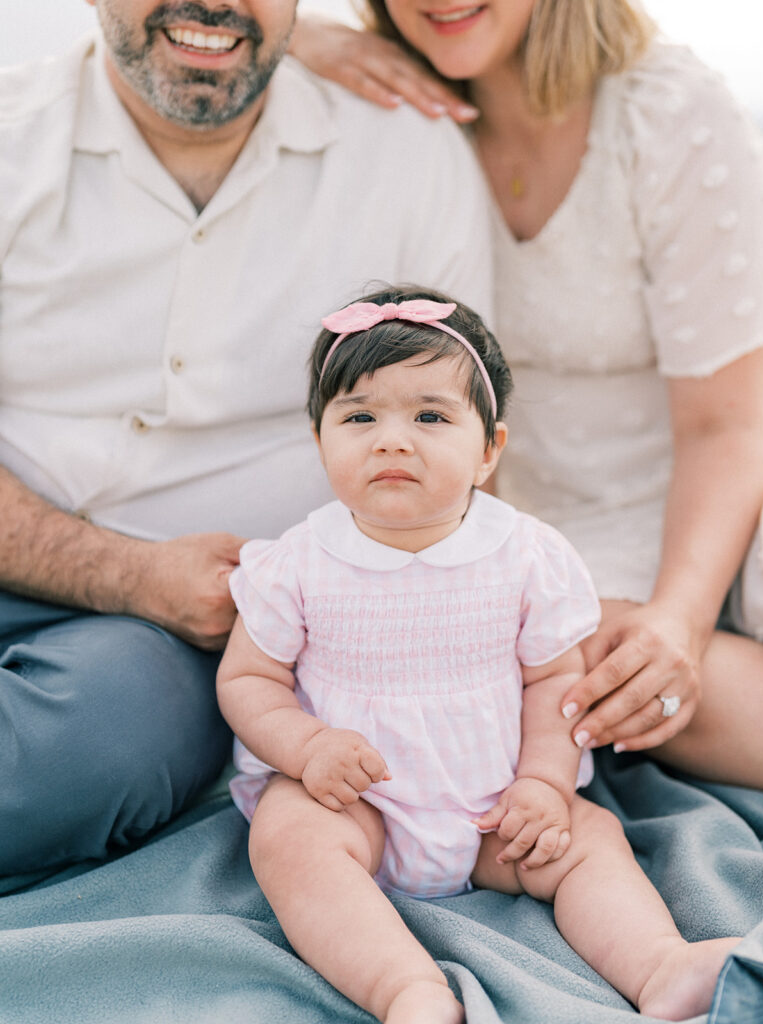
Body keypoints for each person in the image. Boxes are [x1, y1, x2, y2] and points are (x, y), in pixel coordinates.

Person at [0, 0, 494, 882]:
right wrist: (126, 571)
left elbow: (453, 444)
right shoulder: (13, 137)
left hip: (161, 649)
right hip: (41, 546)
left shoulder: (403, 156)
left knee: (111, 736)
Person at [216, 285, 739, 1024]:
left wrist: (544, 785)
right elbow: (248, 679)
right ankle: (408, 990)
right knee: (289, 839)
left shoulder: (525, 556)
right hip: (355, 803)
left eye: (430, 416)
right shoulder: (295, 563)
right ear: (319, 439)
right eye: (359, 416)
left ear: (489, 449)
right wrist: (307, 748)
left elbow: (555, 682)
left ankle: (658, 966)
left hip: (492, 808)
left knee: (587, 839)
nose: (391, 440)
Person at [288, 1, 763, 789]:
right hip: (541, 516)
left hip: (715, 490)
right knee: (591, 664)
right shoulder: (396, 116)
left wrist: (678, 620)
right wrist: (299, 35)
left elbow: (726, 425)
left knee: (650, 655)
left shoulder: (667, 110)